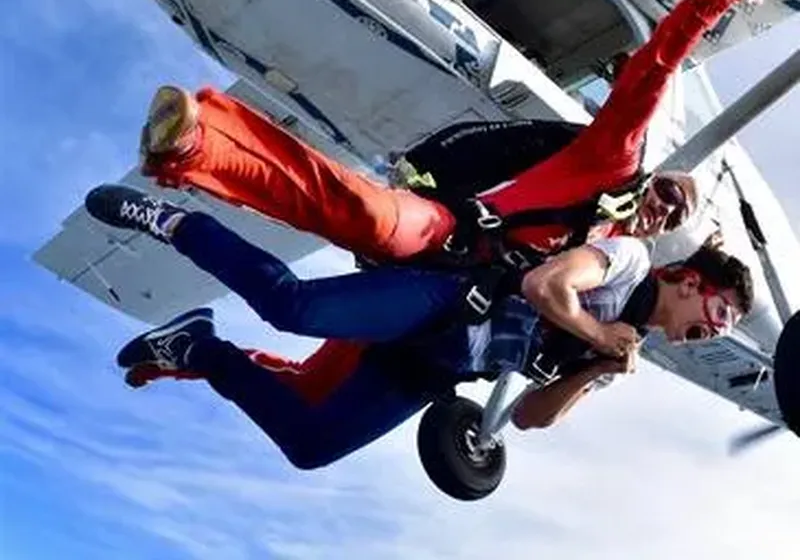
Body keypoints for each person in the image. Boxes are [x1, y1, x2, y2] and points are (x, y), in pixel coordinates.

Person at [134, 0, 763, 262]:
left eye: (675, 214)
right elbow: (653, 67)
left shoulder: (600, 265)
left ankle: (184, 289)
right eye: (668, 191)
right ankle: (197, 145)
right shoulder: (614, 161)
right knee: (364, 215)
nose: (666, 208)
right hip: (444, 228)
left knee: (312, 400)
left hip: (449, 288)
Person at [86, 184, 753, 470]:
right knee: (292, 307)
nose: (711, 331)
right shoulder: (629, 260)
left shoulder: (622, 348)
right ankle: (172, 222)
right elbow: (545, 285)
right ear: (692, 281)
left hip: (438, 364)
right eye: (718, 315)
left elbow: (528, 420)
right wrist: (598, 333)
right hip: (443, 304)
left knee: (312, 446)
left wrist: (600, 367)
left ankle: (198, 346)